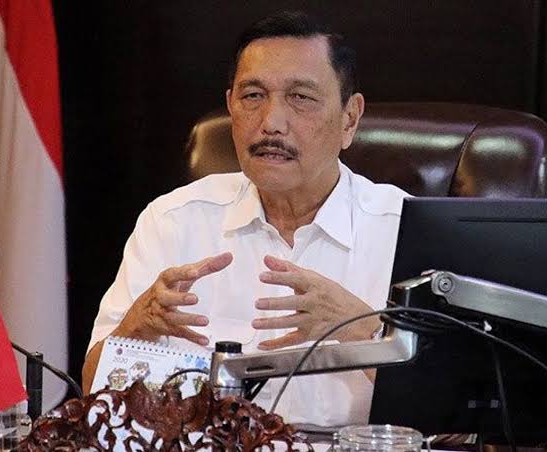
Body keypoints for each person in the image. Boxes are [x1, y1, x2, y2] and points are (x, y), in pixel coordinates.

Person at [83, 10, 409, 427]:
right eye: (253, 96)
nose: (271, 123)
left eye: (301, 98)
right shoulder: (173, 222)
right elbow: (94, 392)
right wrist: (139, 327)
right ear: (230, 107)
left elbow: (458, 417)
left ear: (350, 118)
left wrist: (362, 331)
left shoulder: (402, 229)